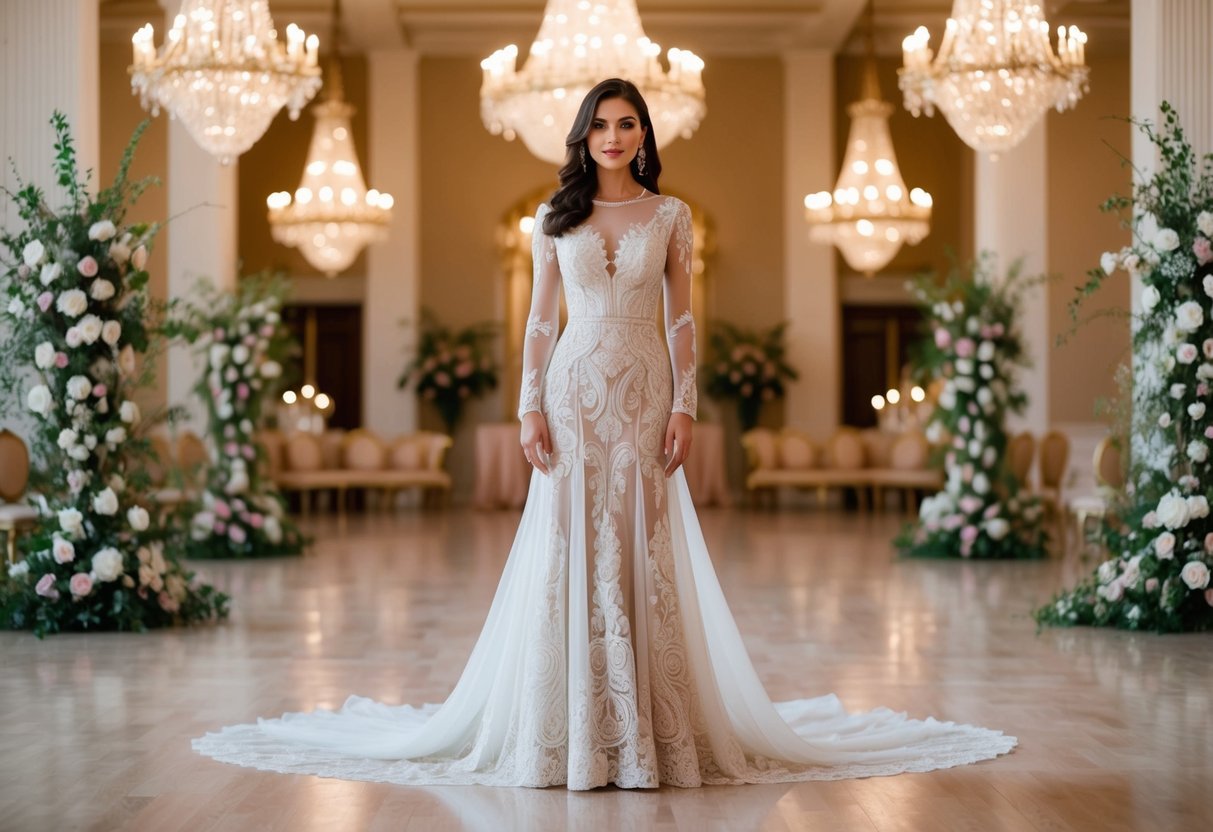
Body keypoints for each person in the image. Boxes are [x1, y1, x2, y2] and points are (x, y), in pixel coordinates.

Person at [193, 78, 1015, 789]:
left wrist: (686, 403)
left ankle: (644, 730)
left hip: (647, 390)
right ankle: (569, 726)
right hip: (574, 390)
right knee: (569, 540)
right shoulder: (555, 219)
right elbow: (538, 324)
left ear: (644, 135)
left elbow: (683, 317)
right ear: (583, 134)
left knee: (639, 540)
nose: (615, 136)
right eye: (601, 124)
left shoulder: (672, 215)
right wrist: (527, 406)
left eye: (628, 123)